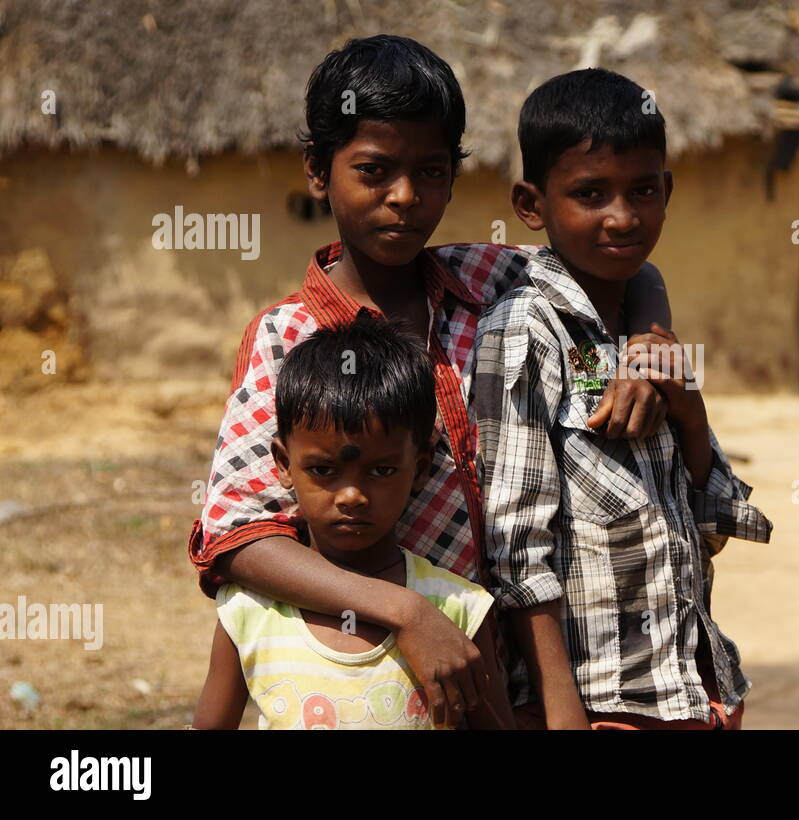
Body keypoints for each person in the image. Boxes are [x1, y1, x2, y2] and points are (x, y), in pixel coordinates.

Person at [186, 35, 672, 728]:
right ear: (319, 173)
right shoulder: (285, 341)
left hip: (543, 670)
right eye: (375, 171)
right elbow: (235, 537)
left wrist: (646, 344)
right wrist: (408, 611)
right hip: (382, 683)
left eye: (432, 172)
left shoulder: (499, 280)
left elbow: (618, 269)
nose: (406, 198)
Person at [472, 68, 773, 730]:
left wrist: (690, 413)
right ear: (531, 205)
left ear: (667, 190)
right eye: (590, 193)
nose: (622, 216)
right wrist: (560, 708)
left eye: (642, 190)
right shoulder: (525, 331)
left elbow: (713, 534)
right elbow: (516, 547)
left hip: (686, 689)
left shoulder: (646, 342)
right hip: (595, 701)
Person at [192, 315, 514, 729]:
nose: (352, 496)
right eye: (323, 471)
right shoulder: (248, 609)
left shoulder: (458, 608)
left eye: (381, 471)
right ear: (284, 465)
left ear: (419, 469)